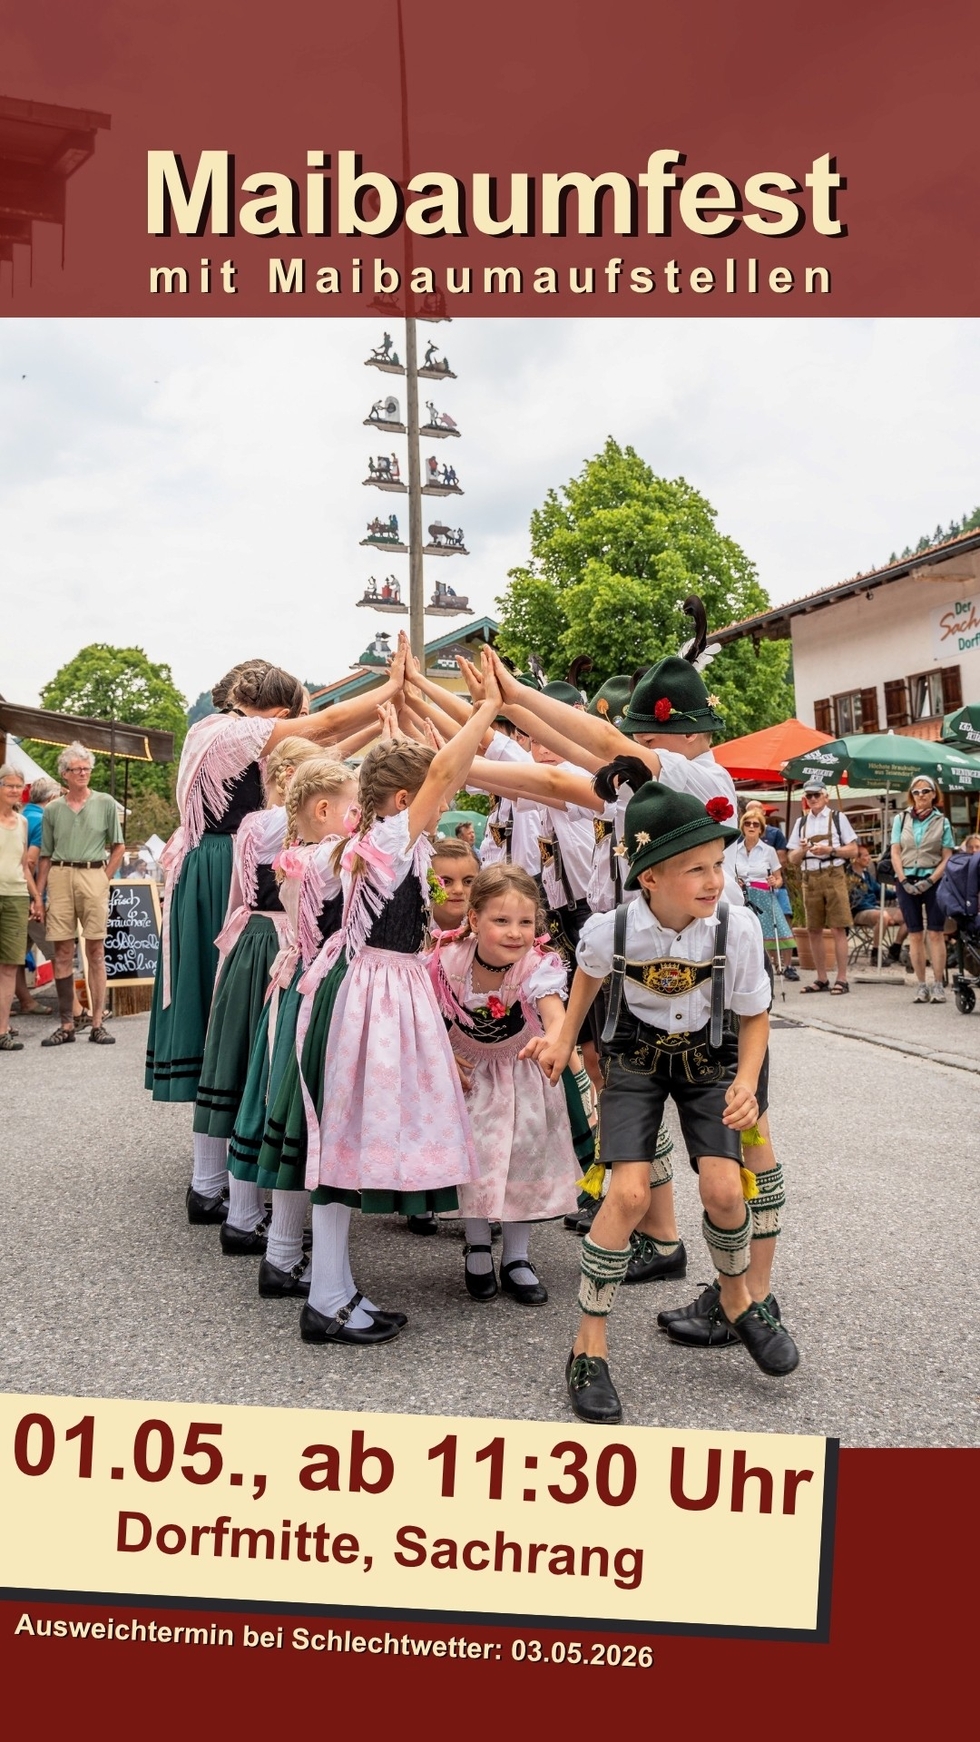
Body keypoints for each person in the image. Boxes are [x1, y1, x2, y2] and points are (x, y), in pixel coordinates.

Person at [532, 776, 797, 1425]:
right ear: (649, 877)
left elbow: (756, 1015)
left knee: (727, 1190)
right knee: (626, 1195)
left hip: (710, 1057)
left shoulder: (732, 927)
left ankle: (738, 1302)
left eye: (717, 864)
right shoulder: (609, 929)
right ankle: (587, 1349)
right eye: (695, 869)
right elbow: (587, 980)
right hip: (636, 1057)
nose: (714, 879)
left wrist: (745, 1082)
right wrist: (563, 1039)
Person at [148, 652, 406, 1226]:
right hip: (228, 879)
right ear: (278, 707)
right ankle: (218, 1182)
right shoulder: (229, 731)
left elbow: (319, 757)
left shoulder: (224, 737)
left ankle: (222, 1179)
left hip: (214, 866)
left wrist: (383, 718)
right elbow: (317, 735)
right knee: (231, 1022)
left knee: (231, 1026)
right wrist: (390, 688)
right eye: (291, 712)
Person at [299, 651, 502, 1346]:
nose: (443, 804)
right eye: (428, 798)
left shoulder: (384, 840)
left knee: (346, 1146)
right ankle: (325, 1298)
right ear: (399, 803)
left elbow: (435, 773)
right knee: (343, 1147)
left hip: (376, 985)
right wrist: (486, 709)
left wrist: (406, 719)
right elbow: (443, 772)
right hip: (374, 991)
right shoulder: (390, 834)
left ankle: (334, 1288)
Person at [226, 756, 360, 1296]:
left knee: (294, 1124)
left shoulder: (299, 854)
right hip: (313, 988)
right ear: (323, 809)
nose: (362, 817)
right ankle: (282, 1255)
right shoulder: (329, 856)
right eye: (355, 807)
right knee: (306, 1123)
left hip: (295, 981)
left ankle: (282, 1252)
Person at [193, 738, 328, 1249]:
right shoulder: (278, 825)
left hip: (249, 934)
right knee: (261, 1072)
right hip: (275, 939)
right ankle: (246, 1213)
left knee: (237, 1066)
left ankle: (229, 1198)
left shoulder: (252, 822)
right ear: (291, 773)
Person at [428, 865, 581, 1304]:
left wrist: (554, 1039)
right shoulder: (445, 960)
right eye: (501, 921)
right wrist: (439, 1055)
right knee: (475, 1159)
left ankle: (516, 1256)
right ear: (474, 920)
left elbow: (554, 1016)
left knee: (523, 1159)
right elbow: (427, 1015)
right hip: (469, 1076)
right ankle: (477, 1245)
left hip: (521, 1074)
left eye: (525, 922)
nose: (515, 933)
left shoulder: (538, 967)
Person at [34, 743, 125, 1046]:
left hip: (92, 873)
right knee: (61, 951)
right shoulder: (54, 810)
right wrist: (39, 896)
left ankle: (98, 1022)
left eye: (87, 768)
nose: (84, 772)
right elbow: (45, 855)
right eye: (77, 769)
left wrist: (103, 878)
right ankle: (67, 1023)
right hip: (60, 874)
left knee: (96, 951)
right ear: (65, 774)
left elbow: (118, 846)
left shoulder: (105, 802)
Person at [786, 780, 858, 994]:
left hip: (833, 873)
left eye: (817, 795)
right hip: (810, 876)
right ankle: (821, 978)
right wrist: (803, 851)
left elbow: (853, 850)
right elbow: (792, 857)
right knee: (813, 929)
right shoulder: (800, 822)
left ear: (826, 796)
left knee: (838, 927)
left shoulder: (838, 818)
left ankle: (842, 979)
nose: (813, 799)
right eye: (809, 796)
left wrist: (830, 850)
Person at [890, 776, 955, 1003]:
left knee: (936, 933)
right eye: (916, 792)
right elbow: (895, 851)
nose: (921, 796)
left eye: (926, 791)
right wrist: (903, 879)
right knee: (915, 933)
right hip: (906, 878)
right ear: (911, 795)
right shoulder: (901, 818)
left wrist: (931, 880)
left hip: (934, 879)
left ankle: (938, 984)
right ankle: (921, 985)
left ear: (934, 794)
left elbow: (947, 856)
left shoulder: (942, 821)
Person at [0, 764, 44, 1051]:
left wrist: (36, 897)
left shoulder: (23, 822)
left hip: (16, 895)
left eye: (19, 786)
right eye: (9, 785)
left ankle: (2, 1028)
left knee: (9, 965)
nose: (15, 790)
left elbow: (24, 865)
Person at [15, 773, 61, 1016]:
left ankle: (25, 1000)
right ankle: (72, 1009)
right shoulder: (43, 821)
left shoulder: (22, 816)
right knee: (57, 951)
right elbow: (31, 861)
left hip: (15, 895)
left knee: (13, 955)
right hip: (31, 898)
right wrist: (37, 897)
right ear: (52, 797)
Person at [724, 811, 793, 965]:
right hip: (743, 896)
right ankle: (753, 965)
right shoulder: (734, 850)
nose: (751, 827)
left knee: (777, 930)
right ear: (743, 827)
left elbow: (779, 878)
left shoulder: (769, 851)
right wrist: (736, 881)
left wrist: (774, 882)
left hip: (763, 895)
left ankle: (784, 966)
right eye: (748, 823)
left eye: (756, 824)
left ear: (761, 829)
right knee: (747, 932)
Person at [848, 846, 905, 956]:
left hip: (875, 909)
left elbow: (881, 891)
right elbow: (858, 903)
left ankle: (896, 948)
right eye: (866, 855)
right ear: (856, 858)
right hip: (860, 912)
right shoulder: (849, 877)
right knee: (883, 916)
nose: (869, 858)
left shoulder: (867, 875)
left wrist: (900, 892)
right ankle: (875, 953)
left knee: (908, 915)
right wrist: (879, 910)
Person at [429, 835, 480, 931]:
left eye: (468, 881)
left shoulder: (484, 929)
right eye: (446, 881)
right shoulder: (412, 926)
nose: (458, 890)